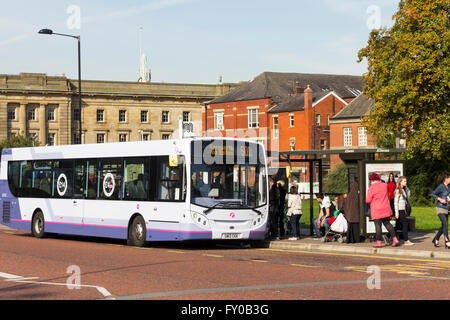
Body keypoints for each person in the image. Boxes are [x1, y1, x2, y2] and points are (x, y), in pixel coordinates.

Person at [366, 172, 400, 247]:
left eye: (370, 180)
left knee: (378, 226)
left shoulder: (371, 188)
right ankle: (395, 239)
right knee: (387, 224)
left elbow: (368, 200)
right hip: (385, 208)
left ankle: (378, 242)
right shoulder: (384, 185)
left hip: (376, 209)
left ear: (371, 180)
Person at [430, 172, 450, 249]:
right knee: (445, 224)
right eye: (449, 178)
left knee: (443, 226)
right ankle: (447, 241)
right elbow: (432, 194)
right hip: (440, 208)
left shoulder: (449, 187)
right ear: (445, 179)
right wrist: (440, 199)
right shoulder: (441, 187)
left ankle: (436, 239)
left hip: (447, 208)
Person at [394, 176, 413, 245]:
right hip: (399, 210)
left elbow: (409, 194)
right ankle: (406, 240)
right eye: (404, 181)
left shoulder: (404, 190)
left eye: (406, 181)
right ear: (400, 182)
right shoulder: (398, 191)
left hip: (403, 210)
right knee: (405, 224)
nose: (406, 182)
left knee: (398, 226)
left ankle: (388, 236)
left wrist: (406, 186)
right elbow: (395, 202)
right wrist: (396, 213)